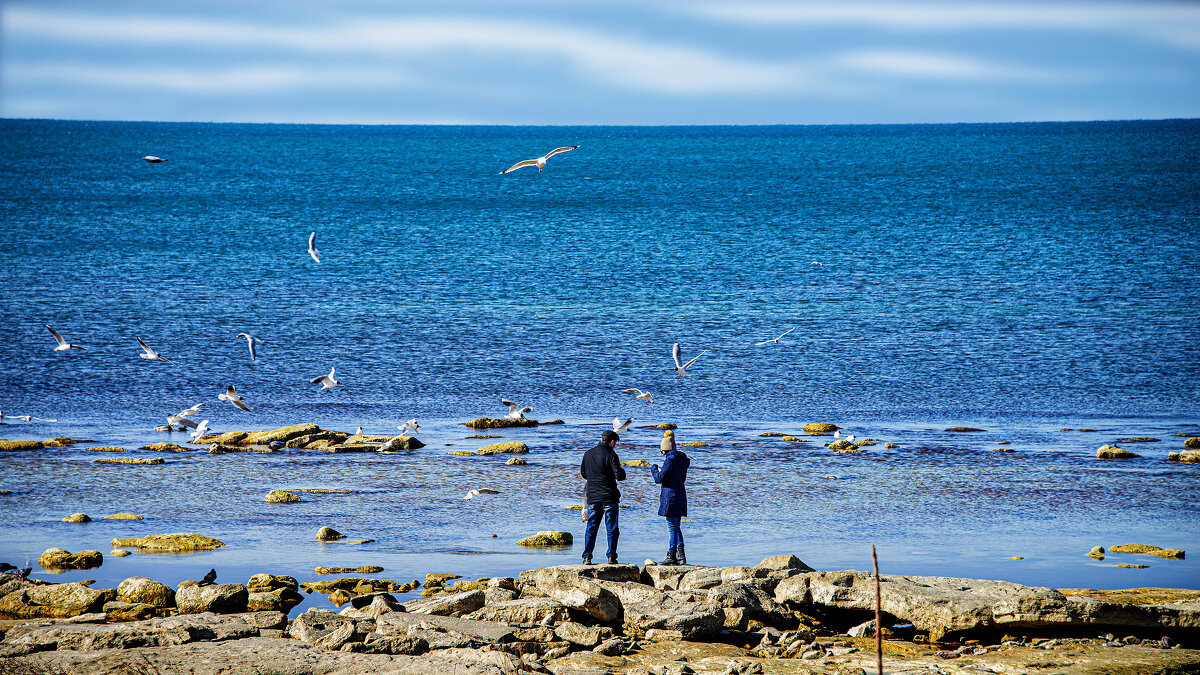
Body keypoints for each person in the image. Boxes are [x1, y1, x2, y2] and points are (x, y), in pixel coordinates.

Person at [580, 429, 626, 564]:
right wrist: (622, 471)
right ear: (611, 441)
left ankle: (587, 557)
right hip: (609, 497)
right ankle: (611, 556)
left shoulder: (588, 454)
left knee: (591, 527)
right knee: (611, 528)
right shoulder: (611, 455)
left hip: (593, 496)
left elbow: (584, 474)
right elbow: (619, 476)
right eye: (615, 442)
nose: (615, 445)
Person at [651, 429, 691, 565]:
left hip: (670, 496)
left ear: (665, 449)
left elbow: (660, 478)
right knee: (676, 526)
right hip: (680, 494)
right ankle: (681, 556)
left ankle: (671, 555)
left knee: (672, 527)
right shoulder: (681, 460)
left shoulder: (670, 460)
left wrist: (654, 469)